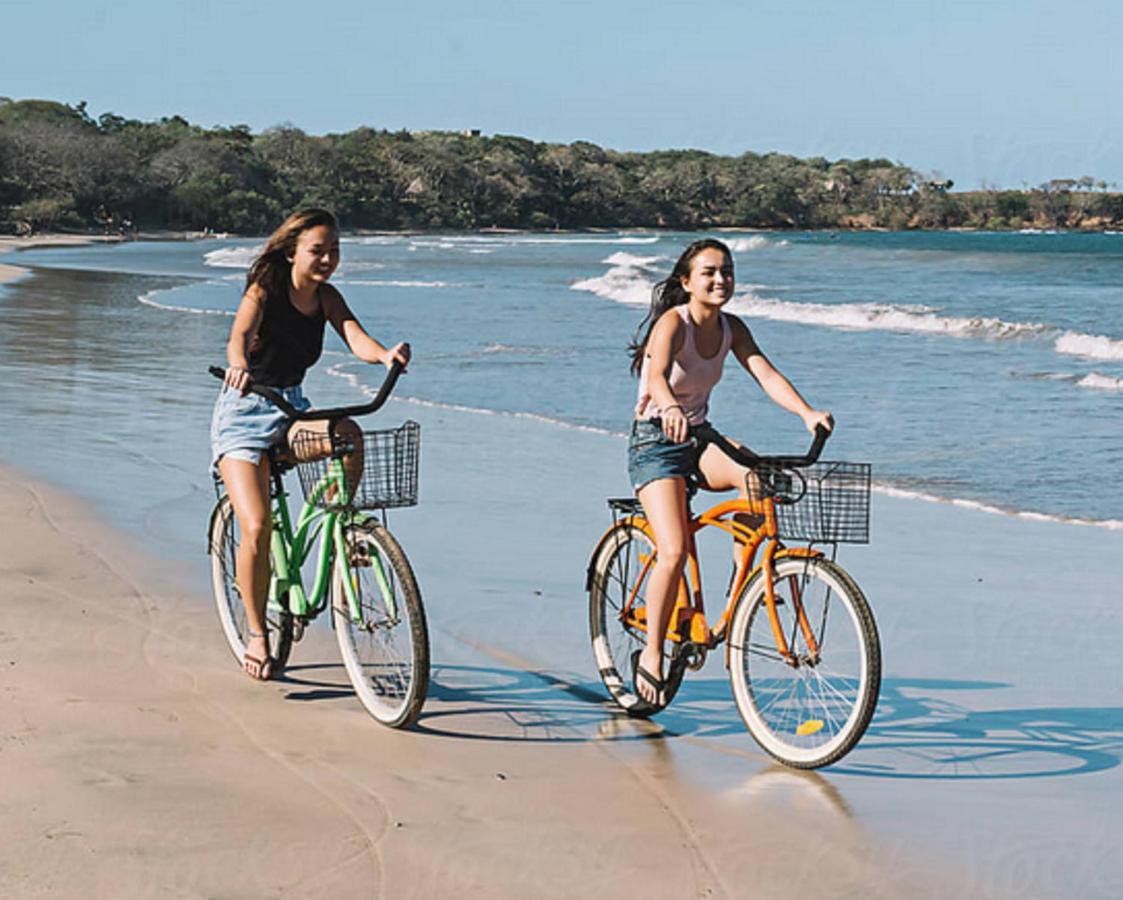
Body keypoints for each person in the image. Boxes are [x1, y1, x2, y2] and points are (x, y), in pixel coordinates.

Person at [626, 238, 832, 709]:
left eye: (728, 272)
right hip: (656, 443)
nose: (721, 280)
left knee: (758, 480)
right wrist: (669, 406)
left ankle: (747, 586)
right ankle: (653, 653)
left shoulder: (731, 328)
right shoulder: (672, 324)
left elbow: (766, 374)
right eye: (710, 272)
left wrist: (805, 412)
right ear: (687, 282)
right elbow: (657, 375)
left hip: (699, 439)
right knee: (674, 549)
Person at [210, 208, 410, 681]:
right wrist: (238, 363)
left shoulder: (326, 297)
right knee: (257, 526)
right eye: (318, 250)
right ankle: (258, 633)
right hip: (244, 413)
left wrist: (384, 355)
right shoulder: (266, 288)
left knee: (348, 436)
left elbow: (353, 335)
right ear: (293, 250)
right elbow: (239, 335)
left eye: (334, 251)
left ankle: (344, 526)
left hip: (292, 411)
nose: (327, 259)